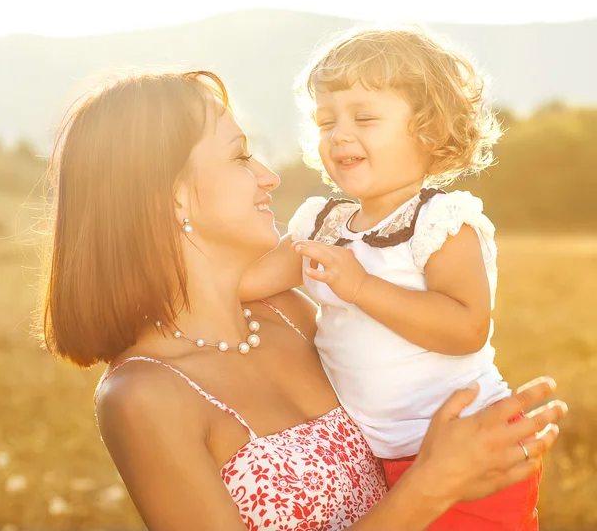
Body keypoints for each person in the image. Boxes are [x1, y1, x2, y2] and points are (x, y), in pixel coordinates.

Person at [40, 70, 566, 531]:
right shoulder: (143, 397)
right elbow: (421, 486)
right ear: (172, 193)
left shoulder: (289, 312)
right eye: (239, 155)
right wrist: (431, 488)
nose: (268, 175)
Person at [239, 27, 546, 529]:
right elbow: (248, 283)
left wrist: (360, 288)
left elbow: (466, 328)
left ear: (428, 129)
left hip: (468, 442)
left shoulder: (441, 223)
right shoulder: (321, 223)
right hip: (382, 458)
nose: (339, 133)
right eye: (325, 120)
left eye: (364, 118)